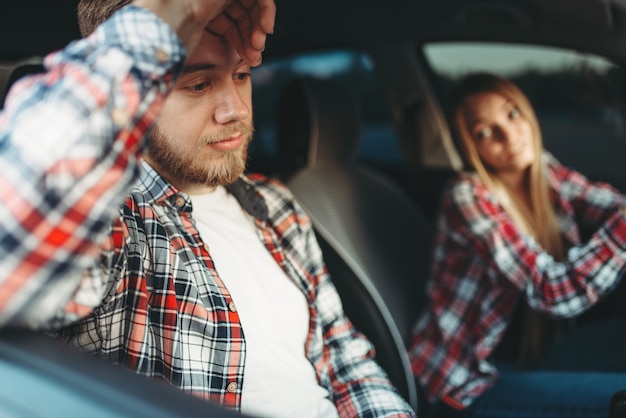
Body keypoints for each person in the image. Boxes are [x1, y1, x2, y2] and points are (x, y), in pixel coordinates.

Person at [0, 1, 416, 417]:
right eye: (198, 84)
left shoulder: (275, 205)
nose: (236, 109)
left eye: (241, 76)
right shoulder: (117, 222)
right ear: (139, 92)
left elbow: (344, 356)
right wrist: (160, 21)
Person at [408, 72, 626, 418]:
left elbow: (611, 205)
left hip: (538, 351)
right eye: (484, 132)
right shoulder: (467, 196)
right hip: (472, 381)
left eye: (512, 114)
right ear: (469, 147)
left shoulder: (545, 172)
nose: (508, 135)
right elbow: (552, 289)